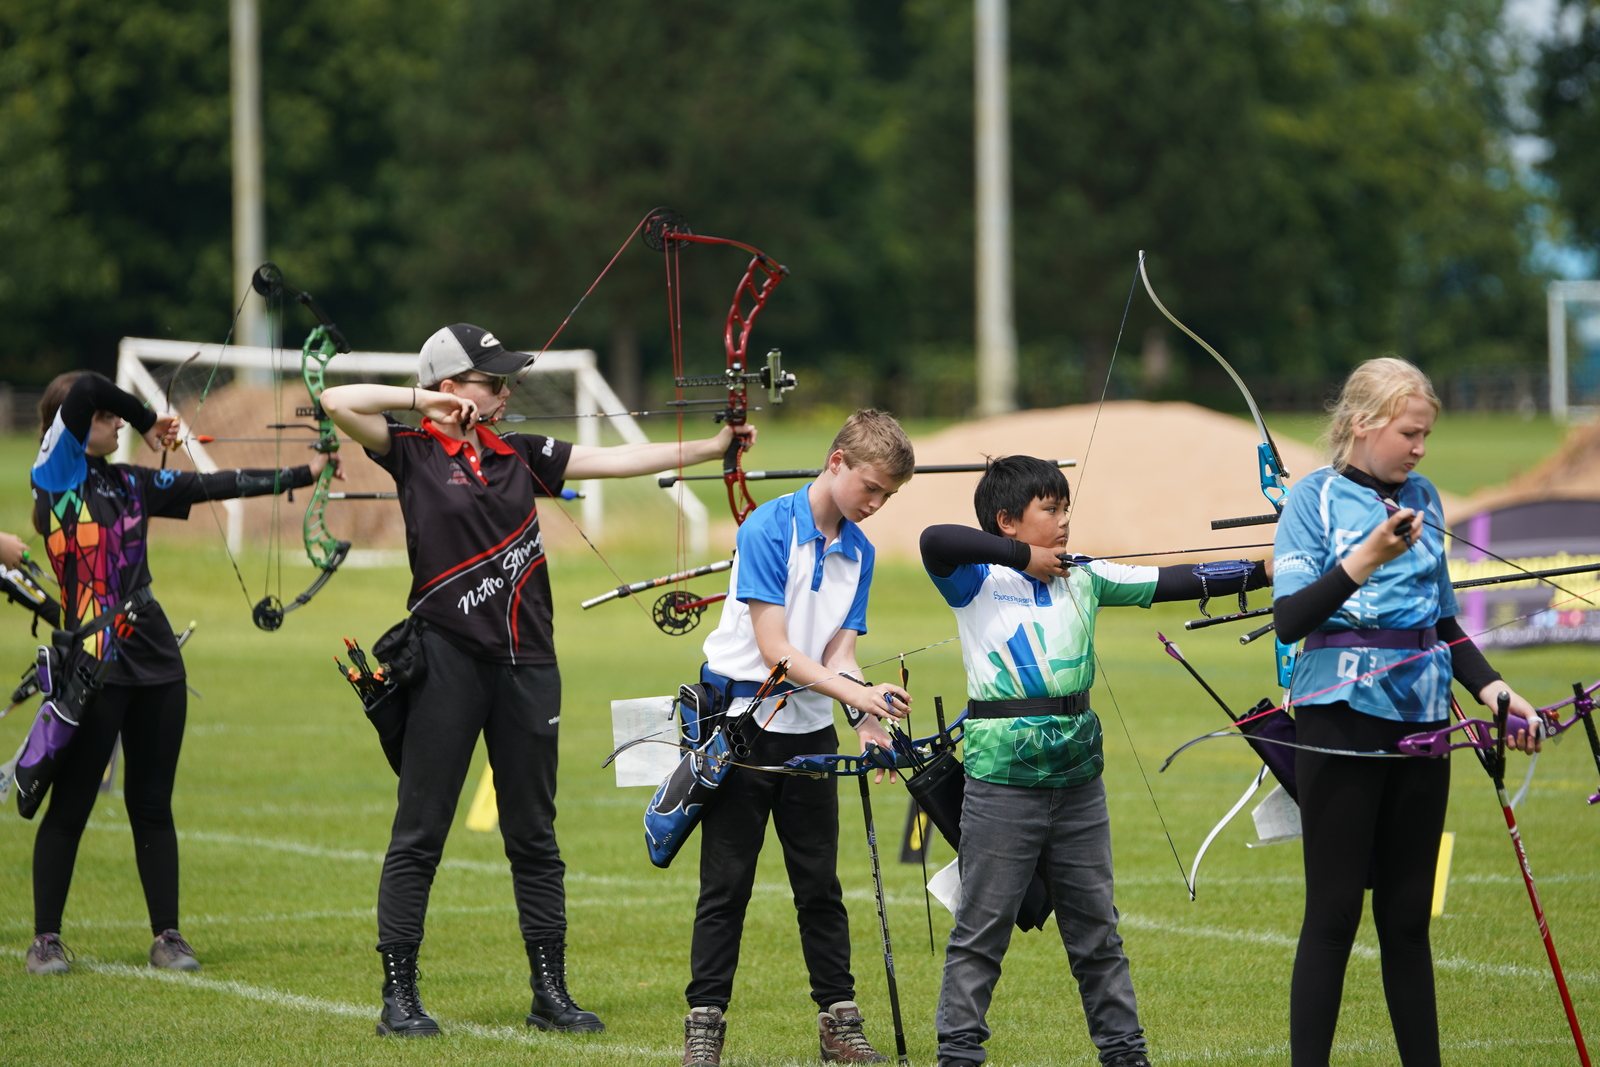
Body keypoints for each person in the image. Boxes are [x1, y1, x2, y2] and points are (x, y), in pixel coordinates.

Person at [319, 322, 757, 1039]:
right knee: (420, 830)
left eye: (503, 379)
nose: (504, 389)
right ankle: (399, 995)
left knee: (535, 833)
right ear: (451, 385)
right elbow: (339, 400)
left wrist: (712, 449)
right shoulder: (412, 452)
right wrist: (423, 402)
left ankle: (549, 991)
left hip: (530, 664)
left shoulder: (518, 453)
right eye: (490, 379)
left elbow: (617, 460)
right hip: (447, 661)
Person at [920, 455, 1272, 1067]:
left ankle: (1125, 1055)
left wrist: (1268, 570)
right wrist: (1019, 558)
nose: (1062, 523)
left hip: (1079, 781)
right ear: (1006, 521)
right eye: (1048, 511)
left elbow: (1177, 581)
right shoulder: (974, 579)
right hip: (1002, 782)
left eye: (1065, 510)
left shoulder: (1085, 576)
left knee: (1097, 935)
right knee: (981, 933)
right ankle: (958, 1056)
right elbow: (934, 539)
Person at [23, 370, 341, 976]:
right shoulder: (56, 478)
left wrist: (304, 475)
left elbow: (214, 484)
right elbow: (88, 385)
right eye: (106, 418)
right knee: (72, 805)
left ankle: (167, 935)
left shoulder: (132, 483)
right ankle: (45, 940)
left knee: (152, 802)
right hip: (94, 662)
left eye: (121, 419)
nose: (115, 422)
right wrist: (148, 419)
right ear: (71, 426)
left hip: (156, 658)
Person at [1272, 357, 1539, 1067]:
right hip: (1339, 719)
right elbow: (1292, 619)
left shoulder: (1424, 496)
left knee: (1407, 918)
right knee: (1332, 915)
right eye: (1409, 432)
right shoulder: (1314, 500)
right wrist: (1364, 557)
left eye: (1426, 435)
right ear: (1363, 423)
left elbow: (1444, 622)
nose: (1420, 448)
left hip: (1425, 720)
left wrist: (1497, 694)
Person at [681, 410, 915, 1067]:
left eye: (887, 496)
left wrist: (869, 720)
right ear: (836, 462)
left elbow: (841, 652)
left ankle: (839, 1022)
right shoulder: (766, 528)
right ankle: (705, 1025)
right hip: (741, 730)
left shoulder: (859, 552)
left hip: (809, 732)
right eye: (871, 488)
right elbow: (777, 651)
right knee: (725, 884)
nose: (875, 504)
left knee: (819, 885)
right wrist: (857, 696)